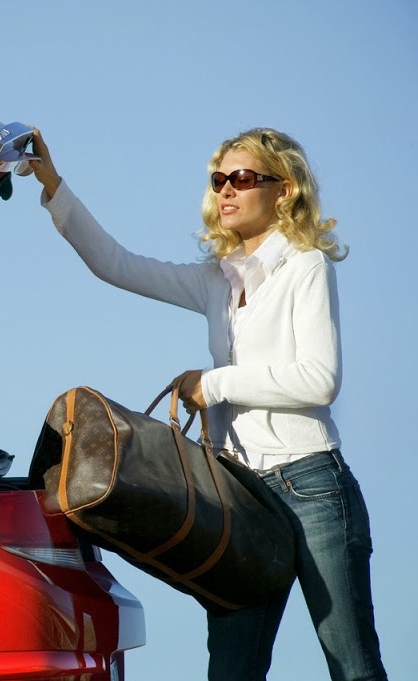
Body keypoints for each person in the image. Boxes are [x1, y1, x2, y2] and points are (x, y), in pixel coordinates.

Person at [26, 128, 386, 681]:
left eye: (242, 178)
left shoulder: (306, 266)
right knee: (231, 672)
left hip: (312, 487)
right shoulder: (216, 280)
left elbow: (319, 381)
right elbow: (116, 264)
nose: (226, 191)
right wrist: (54, 186)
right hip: (239, 494)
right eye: (219, 180)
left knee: (353, 668)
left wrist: (212, 385)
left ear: (284, 190)